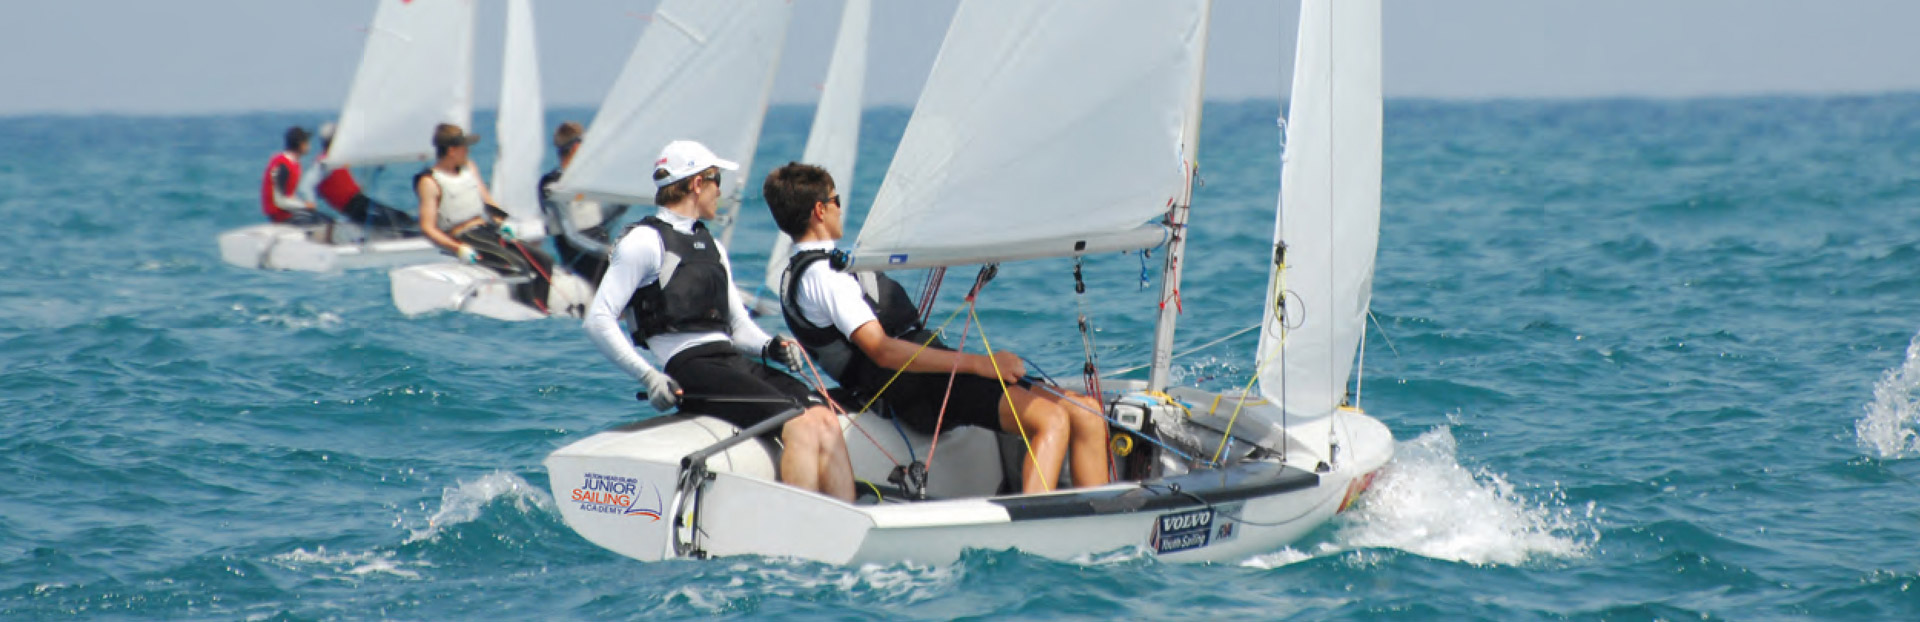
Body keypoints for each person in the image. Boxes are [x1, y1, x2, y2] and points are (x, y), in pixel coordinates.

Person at [763, 162, 1112, 494]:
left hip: (929, 374)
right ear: (820, 211)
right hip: (915, 391)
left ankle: (1102, 531)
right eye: (837, 200)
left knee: (1088, 414)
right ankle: (1039, 535)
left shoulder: (820, 268)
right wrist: (980, 363)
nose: (842, 208)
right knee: (1051, 420)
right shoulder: (824, 278)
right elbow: (881, 350)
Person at [584, 141, 854, 502]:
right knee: (800, 424)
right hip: (690, 366)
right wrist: (648, 377)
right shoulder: (644, 242)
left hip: (729, 359)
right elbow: (597, 319)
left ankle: (846, 519)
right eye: (716, 181)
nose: (720, 192)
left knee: (822, 415)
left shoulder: (710, 244)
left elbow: (739, 328)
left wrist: (771, 347)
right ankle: (800, 532)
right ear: (697, 183)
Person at [414, 123, 554, 310]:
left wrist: (502, 222)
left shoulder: (469, 168)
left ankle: (542, 308)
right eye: (464, 147)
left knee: (544, 260)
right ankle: (526, 310)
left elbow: (486, 201)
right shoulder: (429, 182)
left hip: (486, 230)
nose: (468, 151)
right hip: (464, 236)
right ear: (451, 151)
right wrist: (458, 248)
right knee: (518, 266)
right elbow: (427, 227)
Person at [537, 121, 626, 283]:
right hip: (580, 260)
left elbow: (596, 219)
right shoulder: (553, 186)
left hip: (599, 253)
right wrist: (608, 251)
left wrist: (623, 203)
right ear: (576, 147)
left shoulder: (582, 182)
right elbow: (571, 235)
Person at [313, 122, 419, 236]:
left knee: (397, 215)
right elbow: (310, 183)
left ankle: (416, 229)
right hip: (353, 207)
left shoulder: (334, 159)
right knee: (393, 220)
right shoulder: (325, 162)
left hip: (359, 201)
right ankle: (415, 234)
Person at [259, 126, 334, 227]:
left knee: (327, 220)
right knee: (323, 224)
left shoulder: (294, 164)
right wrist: (304, 205)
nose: (309, 146)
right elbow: (280, 200)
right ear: (300, 145)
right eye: (307, 143)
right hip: (280, 216)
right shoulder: (283, 165)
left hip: (287, 213)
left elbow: (289, 196)